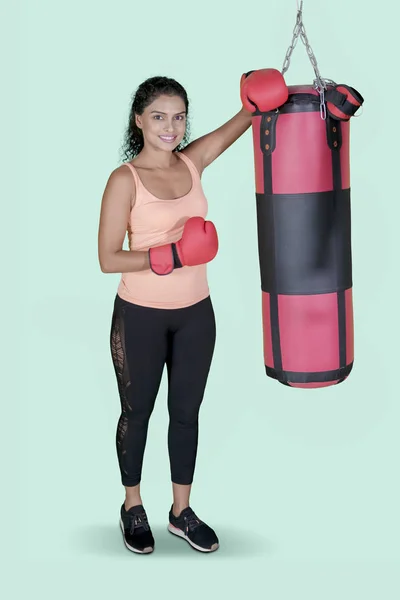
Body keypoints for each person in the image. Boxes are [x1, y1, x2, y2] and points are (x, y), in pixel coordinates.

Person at [98, 75, 253, 554]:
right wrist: (168, 256)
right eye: (160, 116)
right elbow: (107, 258)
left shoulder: (193, 161)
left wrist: (262, 96)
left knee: (186, 414)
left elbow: (243, 121)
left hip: (195, 316)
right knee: (137, 412)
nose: (171, 126)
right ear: (139, 120)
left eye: (180, 116)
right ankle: (132, 506)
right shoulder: (125, 179)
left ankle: (181, 512)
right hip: (140, 314)